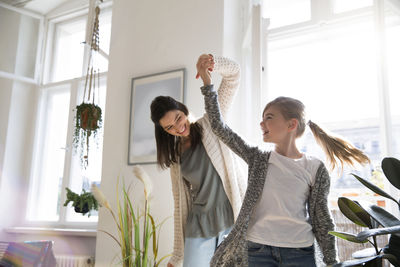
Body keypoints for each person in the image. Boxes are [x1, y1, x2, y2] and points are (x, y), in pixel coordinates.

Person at [196, 56, 370, 267]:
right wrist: (207, 82)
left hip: (300, 253)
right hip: (257, 250)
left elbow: (322, 220)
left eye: (269, 117)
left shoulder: (315, 168)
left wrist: (332, 262)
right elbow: (219, 128)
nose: (262, 123)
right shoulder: (258, 158)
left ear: (291, 124)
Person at [150, 54, 247, 267]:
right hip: (198, 225)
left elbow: (234, 76)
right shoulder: (176, 157)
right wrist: (177, 256)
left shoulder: (211, 124)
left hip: (231, 217)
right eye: (169, 127)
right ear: (164, 131)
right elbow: (180, 203)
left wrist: (212, 66)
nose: (178, 127)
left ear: (183, 110)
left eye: (178, 118)